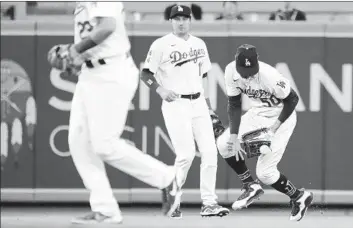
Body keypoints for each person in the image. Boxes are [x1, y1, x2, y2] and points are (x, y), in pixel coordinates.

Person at [48, 2, 181, 224]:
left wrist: (75, 49)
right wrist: (74, 58)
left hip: (112, 72)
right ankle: (105, 209)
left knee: (104, 145)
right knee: (79, 142)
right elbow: (91, 33)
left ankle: (168, 177)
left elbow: (107, 26)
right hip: (90, 73)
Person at [141, 4, 229, 219]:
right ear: (171, 21)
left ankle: (209, 203)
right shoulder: (161, 44)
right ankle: (174, 201)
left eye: (184, 18)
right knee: (187, 154)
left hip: (198, 102)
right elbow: (145, 74)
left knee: (210, 153)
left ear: (190, 20)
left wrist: (208, 106)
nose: (181, 22)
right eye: (176, 18)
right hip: (176, 104)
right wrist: (160, 89)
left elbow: (205, 76)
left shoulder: (199, 43)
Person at [216, 44, 313, 221]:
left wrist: (274, 128)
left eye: (252, 69)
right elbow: (235, 104)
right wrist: (233, 136)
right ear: (236, 64)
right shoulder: (231, 71)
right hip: (258, 112)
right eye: (244, 70)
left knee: (265, 173)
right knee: (224, 144)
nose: (248, 74)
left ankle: (299, 197)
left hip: (282, 117)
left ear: (257, 63)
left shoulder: (270, 76)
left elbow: (293, 100)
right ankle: (249, 185)